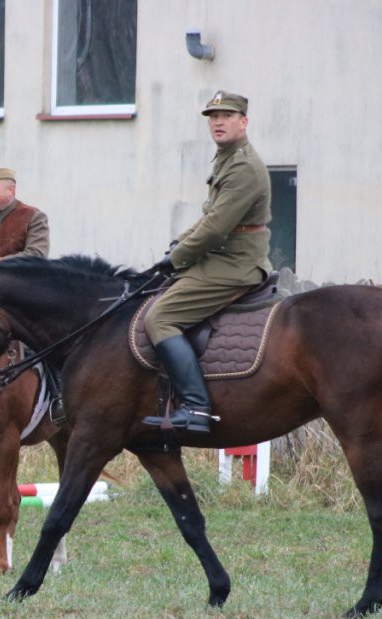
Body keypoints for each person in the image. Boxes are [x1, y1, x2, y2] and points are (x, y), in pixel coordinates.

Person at [142, 91, 272, 433]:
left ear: (243, 122)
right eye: (213, 117)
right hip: (222, 256)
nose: (217, 122)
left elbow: (216, 229)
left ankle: (197, 407)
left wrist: (178, 258)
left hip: (235, 264)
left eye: (226, 116)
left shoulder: (243, 166)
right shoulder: (227, 158)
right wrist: (178, 247)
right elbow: (208, 216)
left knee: (161, 318)